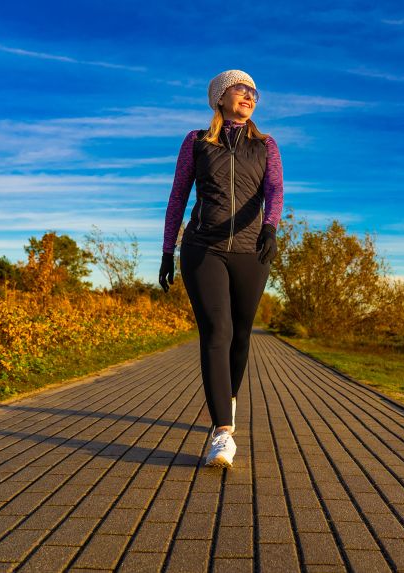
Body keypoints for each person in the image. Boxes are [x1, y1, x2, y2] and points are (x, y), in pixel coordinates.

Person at [158, 70, 283, 468]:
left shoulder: (266, 145)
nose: (250, 95)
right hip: (202, 248)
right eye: (241, 89)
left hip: (251, 252)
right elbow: (178, 194)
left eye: (254, 92)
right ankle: (221, 434)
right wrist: (167, 250)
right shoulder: (196, 142)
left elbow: (275, 190)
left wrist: (270, 227)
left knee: (241, 336)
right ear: (220, 96)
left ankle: (225, 397)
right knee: (218, 330)